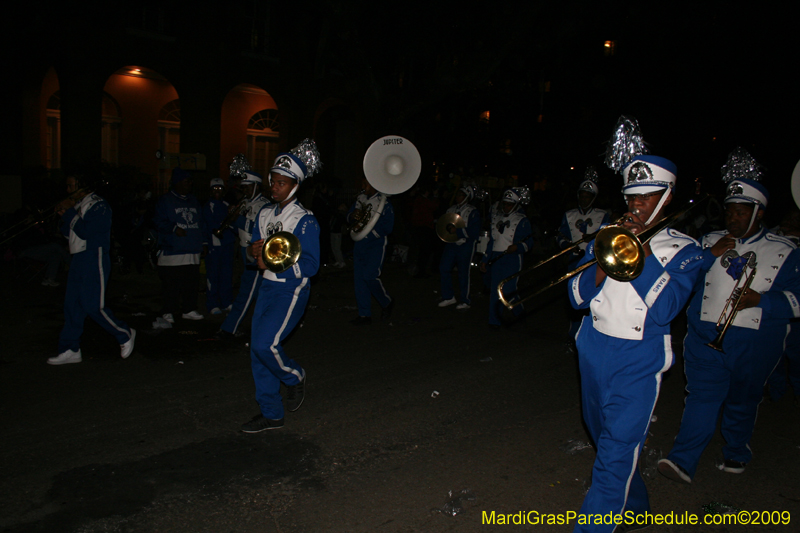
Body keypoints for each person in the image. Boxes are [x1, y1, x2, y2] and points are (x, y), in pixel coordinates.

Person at [568, 154, 703, 531]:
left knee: (613, 457)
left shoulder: (685, 250)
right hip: (593, 348)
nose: (636, 205)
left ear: (667, 197)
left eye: (646, 196)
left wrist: (640, 250)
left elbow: (667, 309)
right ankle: (637, 507)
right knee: (605, 441)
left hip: (639, 359)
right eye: (631, 197)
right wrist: (601, 253)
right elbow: (575, 296)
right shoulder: (607, 235)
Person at [658, 148, 800, 484]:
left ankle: (736, 450)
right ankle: (682, 460)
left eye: (740, 213)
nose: (732, 219)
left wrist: (763, 301)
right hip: (706, 335)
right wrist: (709, 255)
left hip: (755, 340)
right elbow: (682, 277)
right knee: (702, 397)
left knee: (741, 400)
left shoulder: (786, 251)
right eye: (730, 212)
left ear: (759, 213)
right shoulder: (709, 240)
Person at [241, 139, 321, 433]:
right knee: (257, 352)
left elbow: (311, 265)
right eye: (273, 181)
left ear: (296, 185)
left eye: (281, 183)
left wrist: (273, 265)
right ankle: (272, 414)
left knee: (265, 344)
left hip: (291, 290)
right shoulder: (264, 214)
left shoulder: (304, 220)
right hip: (267, 288)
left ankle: (295, 376)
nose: (274, 187)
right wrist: (251, 254)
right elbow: (251, 251)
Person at [47, 174, 136, 365]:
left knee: (93, 305)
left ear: (82, 185)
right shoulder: (79, 204)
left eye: (71, 185)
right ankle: (70, 348)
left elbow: (88, 232)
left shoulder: (99, 205)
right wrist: (64, 217)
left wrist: (70, 212)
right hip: (78, 257)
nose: (68, 190)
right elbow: (69, 234)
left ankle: (124, 333)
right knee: (72, 304)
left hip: (93, 256)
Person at [558, 168, 610, 349]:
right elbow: (561, 235)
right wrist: (567, 246)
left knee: (595, 300)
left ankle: (592, 335)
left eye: (588, 195)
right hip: (574, 259)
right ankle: (573, 335)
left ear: (593, 197)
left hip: (594, 262)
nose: (584, 198)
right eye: (582, 195)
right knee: (575, 299)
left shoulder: (603, 215)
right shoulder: (569, 214)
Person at [216, 168, 271, 339]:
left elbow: (258, 229)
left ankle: (229, 328)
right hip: (244, 249)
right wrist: (231, 221)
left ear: (256, 186)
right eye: (243, 187)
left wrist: (237, 220)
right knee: (260, 292)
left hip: (256, 251)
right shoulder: (245, 203)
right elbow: (239, 229)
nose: (244, 190)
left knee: (247, 292)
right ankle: (266, 326)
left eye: (247, 187)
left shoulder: (264, 205)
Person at [152, 168, 207, 326]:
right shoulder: (165, 200)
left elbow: (201, 223)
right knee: (172, 284)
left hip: (192, 250)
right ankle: (168, 310)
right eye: (186, 181)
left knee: (191, 282)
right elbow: (157, 221)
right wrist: (174, 228)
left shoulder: (193, 201)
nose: (189, 184)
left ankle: (188, 309)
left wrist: (203, 242)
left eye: (190, 181)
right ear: (177, 183)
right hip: (173, 251)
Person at [479, 187, 534, 328]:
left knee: (509, 290)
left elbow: (529, 242)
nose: (506, 207)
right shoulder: (496, 218)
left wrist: (518, 247)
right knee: (495, 290)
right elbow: (492, 242)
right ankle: (494, 321)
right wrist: (485, 260)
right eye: (505, 203)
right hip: (497, 258)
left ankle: (519, 312)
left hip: (513, 258)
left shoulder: (522, 220)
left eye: (509, 204)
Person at [347, 177, 394, 325]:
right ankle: (364, 315)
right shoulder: (360, 199)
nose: (363, 186)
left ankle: (386, 302)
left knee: (370, 276)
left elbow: (388, 226)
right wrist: (352, 216)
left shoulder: (383, 202)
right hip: (359, 244)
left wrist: (369, 234)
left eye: (365, 183)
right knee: (359, 280)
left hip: (375, 245)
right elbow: (349, 217)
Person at [438, 184, 482, 310]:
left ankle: (465, 300)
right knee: (444, 268)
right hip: (451, 244)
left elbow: (474, 231)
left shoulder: (472, 211)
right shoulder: (451, 209)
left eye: (461, 195)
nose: (457, 197)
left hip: (465, 244)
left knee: (464, 272)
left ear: (467, 197)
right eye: (457, 194)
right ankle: (448, 297)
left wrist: (457, 231)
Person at [203, 178, 235, 315]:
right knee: (213, 275)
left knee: (226, 275)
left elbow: (234, 224)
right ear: (210, 191)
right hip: (214, 246)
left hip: (227, 245)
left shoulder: (227, 205)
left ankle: (226, 302)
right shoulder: (207, 206)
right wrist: (205, 243)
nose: (217, 191)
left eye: (220, 189)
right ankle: (212, 304)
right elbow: (205, 226)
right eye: (214, 189)